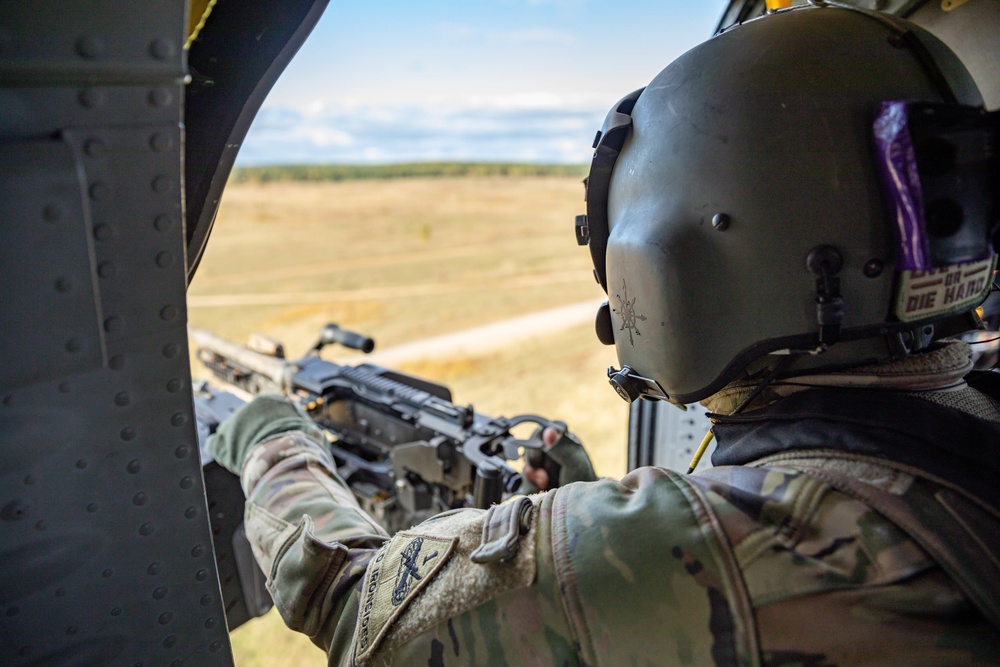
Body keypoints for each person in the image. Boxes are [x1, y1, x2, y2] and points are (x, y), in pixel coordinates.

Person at [207, 5, 1000, 665]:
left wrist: (272, 436)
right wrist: (590, 506)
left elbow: (352, 608)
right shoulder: (967, 421)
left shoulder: (747, 542)